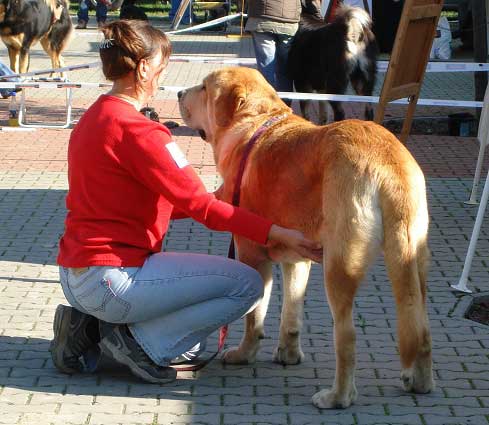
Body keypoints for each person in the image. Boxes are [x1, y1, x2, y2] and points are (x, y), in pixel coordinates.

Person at [50, 19, 323, 384]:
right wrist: (276, 232)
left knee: (185, 287)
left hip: (75, 276)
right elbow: (204, 210)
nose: (163, 74)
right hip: (113, 279)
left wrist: (222, 202)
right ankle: (141, 343)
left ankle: (89, 327)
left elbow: (135, 201)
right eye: (162, 64)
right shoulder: (142, 132)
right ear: (144, 67)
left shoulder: (93, 117)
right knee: (245, 285)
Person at [245, 0, 301, 100]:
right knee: (285, 70)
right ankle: (284, 106)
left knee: (266, 69)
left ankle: (268, 105)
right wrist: (317, 16)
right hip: (289, 23)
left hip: (261, 20)